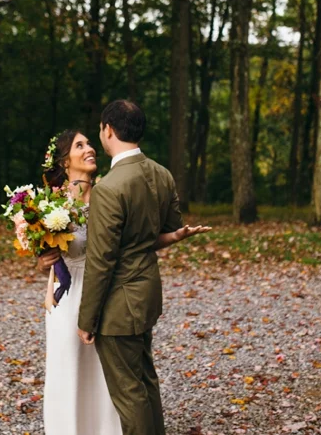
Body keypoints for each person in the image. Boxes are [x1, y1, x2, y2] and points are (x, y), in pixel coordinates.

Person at [37, 121, 209, 435]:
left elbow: (131, 244)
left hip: (110, 294)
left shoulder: (111, 188)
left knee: (109, 378)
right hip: (70, 295)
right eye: (79, 146)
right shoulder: (51, 205)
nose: (89, 148)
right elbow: (48, 253)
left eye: (90, 143)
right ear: (64, 162)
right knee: (69, 372)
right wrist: (44, 259)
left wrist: (172, 236)